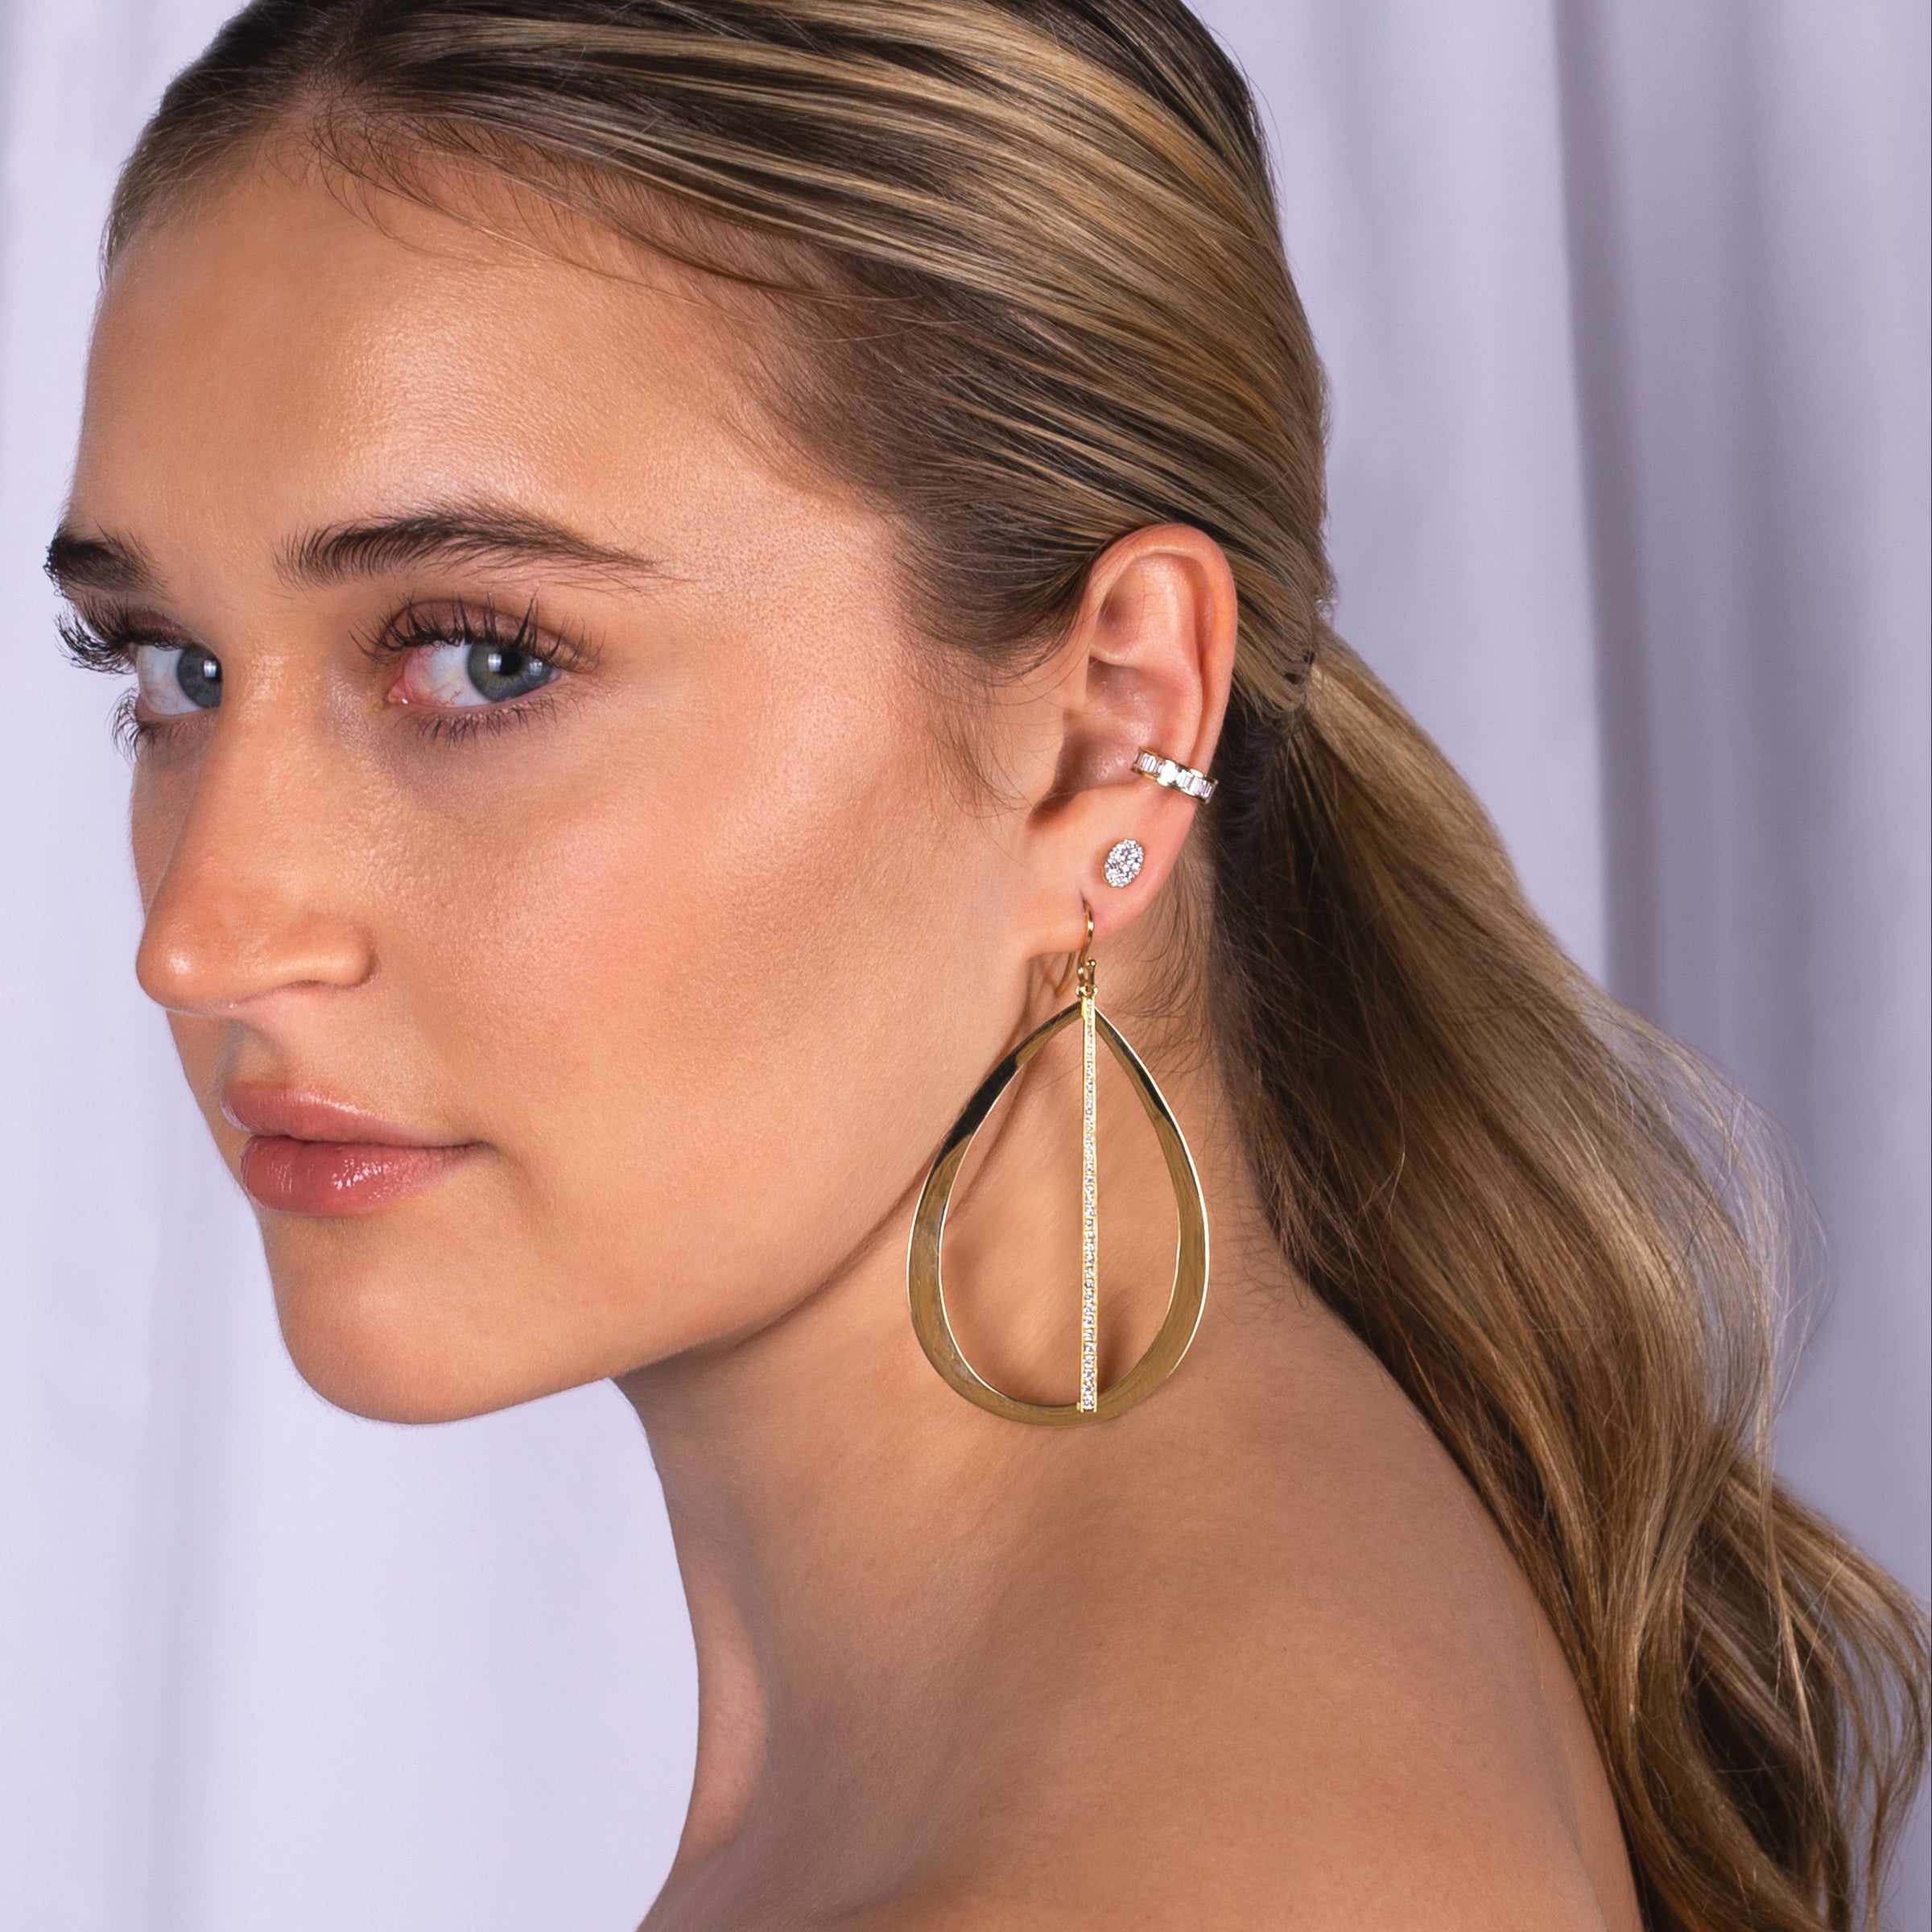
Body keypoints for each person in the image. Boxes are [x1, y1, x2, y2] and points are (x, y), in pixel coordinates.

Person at [49, 2, 1926, 1926]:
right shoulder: (1245, 1621)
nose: (201, 933)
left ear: (1111, 725)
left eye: (481, 657)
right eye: (172, 671)